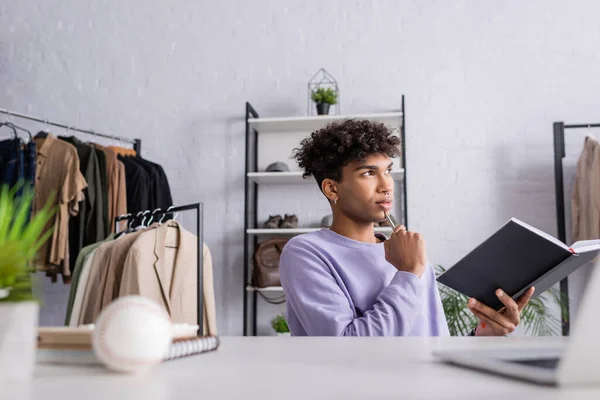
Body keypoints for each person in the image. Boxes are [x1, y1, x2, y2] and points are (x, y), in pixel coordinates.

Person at [279, 119, 535, 336]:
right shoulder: (305, 254)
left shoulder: (408, 255)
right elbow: (349, 348)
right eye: (369, 173)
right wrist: (409, 273)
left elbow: (433, 342)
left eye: (388, 171)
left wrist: (482, 334)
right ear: (332, 188)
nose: (386, 185)